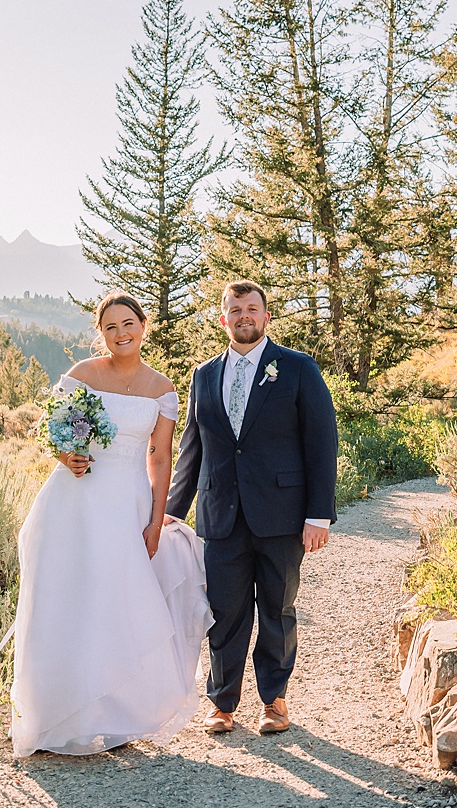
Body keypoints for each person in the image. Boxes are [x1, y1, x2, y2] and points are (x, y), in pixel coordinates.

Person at [9, 292, 212, 756]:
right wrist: (67, 456)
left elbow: (160, 457)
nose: (121, 334)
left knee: (118, 600)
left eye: (128, 324)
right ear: (100, 333)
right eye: (110, 327)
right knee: (68, 598)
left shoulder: (162, 388)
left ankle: (119, 714)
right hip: (73, 502)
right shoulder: (82, 375)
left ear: (143, 326)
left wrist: (156, 521)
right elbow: (52, 432)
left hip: (128, 505)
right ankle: (57, 717)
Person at [164, 280, 339, 735]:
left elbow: (321, 442)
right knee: (224, 613)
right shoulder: (204, 375)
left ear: (266, 316)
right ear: (223, 319)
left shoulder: (297, 368)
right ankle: (222, 703)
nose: (244, 316)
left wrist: (318, 514)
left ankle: (274, 700)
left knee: (278, 610)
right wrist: (173, 510)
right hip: (221, 515)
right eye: (236, 309)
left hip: (282, 514)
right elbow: (192, 448)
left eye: (252, 308)